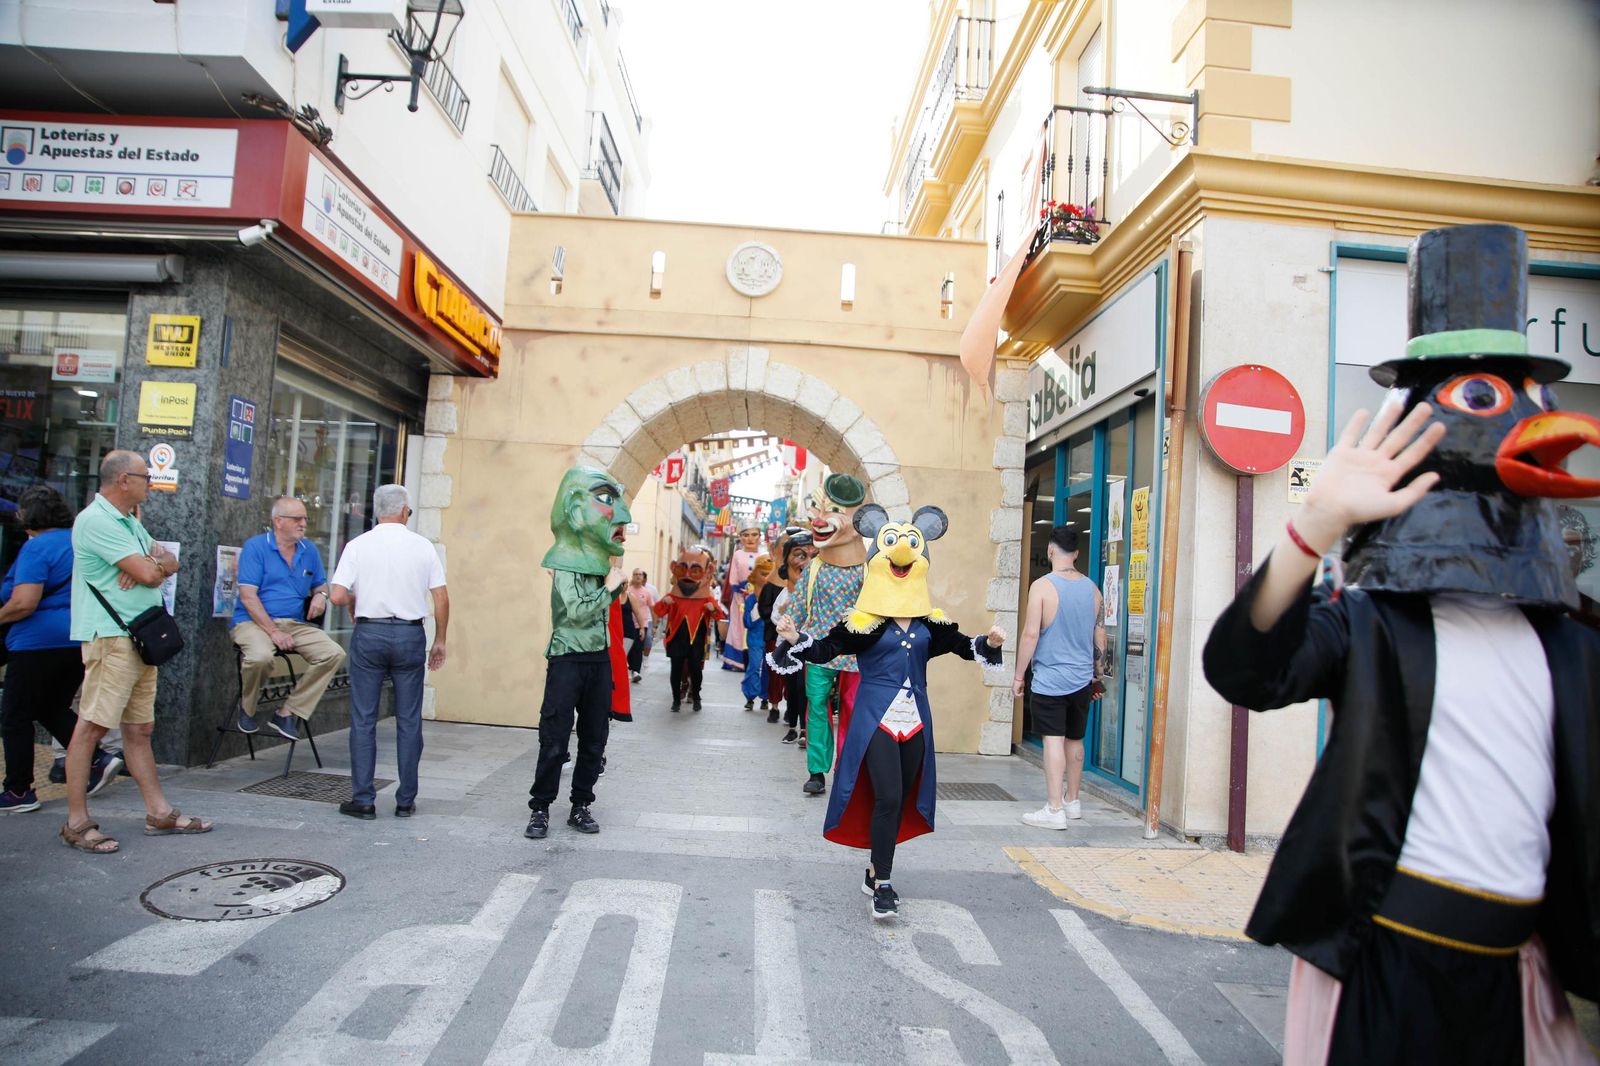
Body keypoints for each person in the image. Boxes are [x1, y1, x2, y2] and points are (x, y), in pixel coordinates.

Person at [1203, 225, 1600, 1065]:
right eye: (1491, 398)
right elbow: (1244, 669)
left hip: (1517, 974)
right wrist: (1313, 529)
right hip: (1384, 961)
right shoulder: (1375, 624)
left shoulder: (1571, 643)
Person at [773, 504, 1004, 920]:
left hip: (916, 722)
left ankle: (874, 867)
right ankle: (884, 882)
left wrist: (990, 643)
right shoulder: (864, 622)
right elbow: (827, 649)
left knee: (900, 801)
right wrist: (796, 637)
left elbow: (965, 646)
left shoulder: (930, 624)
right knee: (889, 795)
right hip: (875, 718)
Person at [62, 450, 210, 853]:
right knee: (91, 727)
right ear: (123, 480)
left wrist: (150, 564)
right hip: (111, 637)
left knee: (139, 729)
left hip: (140, 638)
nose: (151, 483)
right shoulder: (96, 520)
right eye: (146, 476)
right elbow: (150, 571)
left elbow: (169, 562)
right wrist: (147, 566)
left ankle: (158, 812)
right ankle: (77, 822)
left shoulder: (129, 521)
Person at [329, 484, 448, 820]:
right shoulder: (422, 547)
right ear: (405, 510)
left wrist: (353, 599)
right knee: (409, 720)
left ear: (376, 510)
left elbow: (337, 595)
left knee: (363, 719)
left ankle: (364, 800)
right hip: (409, 635)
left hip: (370, 633)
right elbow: (441, 597)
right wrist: (440, 640)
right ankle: (405, 800)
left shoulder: (357, 545)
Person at [0, 486, 121, 814]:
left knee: (15, 715)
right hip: (79, 638)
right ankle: (97, 759)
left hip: (36, 642)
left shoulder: (37, 548)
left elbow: (24, 603)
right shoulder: (78, 542)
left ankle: (18, 790)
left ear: (30, 518)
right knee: (49, 705)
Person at [525, 467, 631, 840]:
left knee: (594, 737)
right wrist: (610, 589)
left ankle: (581, 804)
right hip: (567, 657)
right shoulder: (565, 561)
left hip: (597, 659)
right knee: (554, 738)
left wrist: (615, 588)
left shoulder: (602, 561)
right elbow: (577, 610)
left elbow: (602, 612)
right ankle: (540, 808)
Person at [230, 495, 347, 740]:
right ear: (278, 521)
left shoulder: (309, 550)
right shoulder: (257, 547)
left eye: (305, 518)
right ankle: (247, 708)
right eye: (297, 519)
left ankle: (287, 711)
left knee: (334, 653)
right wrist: (274, 632)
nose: (303, 523)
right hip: (252, 622)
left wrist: (321, 596)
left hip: (293, 623)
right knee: (260, 657)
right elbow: (248, 597)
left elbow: (320, 584)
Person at [1012, 526, 1105, 829]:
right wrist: (1097, 674)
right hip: (1082, 680)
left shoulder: (1041, 587)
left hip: (1050, 680)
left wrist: (1018, 675)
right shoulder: (1093, 589)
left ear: (1051, 551)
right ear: (1076, 553)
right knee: (1075, 739)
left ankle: (1054, 810)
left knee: (1054, 740)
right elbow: (1100, 634)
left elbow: (1030, 634)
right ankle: (1073, 802)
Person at [788, 474, 867, 796]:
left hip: (857, 650)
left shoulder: (868, 568)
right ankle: (817, 771)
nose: (819, 519)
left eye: (832, 509)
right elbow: (798, 605)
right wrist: (789, 631)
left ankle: (846, 769)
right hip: (819, 647)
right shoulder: (815, 567)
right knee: (817, 705)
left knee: (852, 707)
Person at [655, 545, 723, 711]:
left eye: (695, 571)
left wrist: (712, 609)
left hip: (696, 641)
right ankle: (676, 699)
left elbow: (719, 615)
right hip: (677, 639)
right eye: (681, 569)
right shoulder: (673, 596)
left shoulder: (706, 597)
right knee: (676, 670)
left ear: (707, 571)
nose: (687, 576)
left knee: (696, 670)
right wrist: (664, 602)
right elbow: (658, 610)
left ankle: (696, 696)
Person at [760, 532, 810, 728]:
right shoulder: (782, 591)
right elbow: (770, 614)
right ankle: (779, 710)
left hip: (809, 646)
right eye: (800, 555)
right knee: (784, 679)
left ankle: (800, 721)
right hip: (782, 642)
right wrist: (783, 614)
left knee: (803, 686)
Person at [721, 525, 763, 670]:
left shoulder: (764, 555)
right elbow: (733, 578)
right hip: (740, 597)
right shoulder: (737, 554)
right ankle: (737, 661)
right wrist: (740, 594)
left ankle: (755, 660)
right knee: (738, 627)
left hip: (759, 598)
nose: (750, 538)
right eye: (746, 535)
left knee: (757, 627)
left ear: (759, 536)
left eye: (754, 534)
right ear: (740, 538)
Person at [740, 553, 774, 713]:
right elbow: (746, 622)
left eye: (769, 574)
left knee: (768, 668)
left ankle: (765, 697)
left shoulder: (775, 596)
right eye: (763, 574)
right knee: (754, 667)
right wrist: (757, 610)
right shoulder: (750, 600)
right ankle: (750, 696)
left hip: (769, 638)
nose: (766, 578)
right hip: (754, 638)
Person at [625, 569, 655, 683]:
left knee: (638, 648)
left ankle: (636, 671)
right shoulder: (627, 590)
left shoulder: (647, 592)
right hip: (628, 624)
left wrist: (655, 625)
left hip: (642, 624)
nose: (638, 576)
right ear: (632, 576)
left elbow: (652, 608)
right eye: (635, 574)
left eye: (640, 574)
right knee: (629, 648)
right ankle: (629, 669)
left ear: (643, 577)